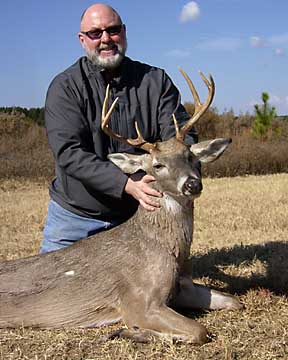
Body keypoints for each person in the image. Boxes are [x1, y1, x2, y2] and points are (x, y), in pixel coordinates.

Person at [41, 3, 198, 253]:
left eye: (113, 30)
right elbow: (69, 152)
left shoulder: (155, 81)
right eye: (95, 33)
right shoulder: (66, 87)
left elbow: (179, 136)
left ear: (124, 32)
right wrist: (125, 183)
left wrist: (179, 163)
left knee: (164, 288)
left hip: (138, 217)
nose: (105, 39)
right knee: (46, 288)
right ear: (82, 40)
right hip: (77, 219)